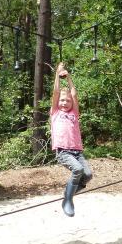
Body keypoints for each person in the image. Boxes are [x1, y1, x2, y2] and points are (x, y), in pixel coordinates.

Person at [51, 62, 92, 217]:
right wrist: (57, 74)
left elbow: (74, 93)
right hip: (63, 151)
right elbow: (55, 92)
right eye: (62, 100)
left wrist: (68, 78)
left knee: (87, 175)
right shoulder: (55, 112)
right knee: (78, 170)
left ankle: (69, 193)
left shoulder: (74, 113)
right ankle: (68, 200)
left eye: (67, 101)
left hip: (77, 152)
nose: (64, 102)